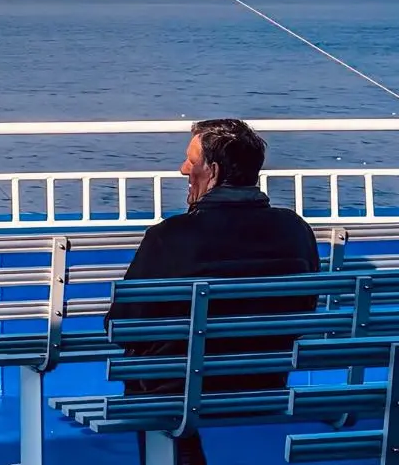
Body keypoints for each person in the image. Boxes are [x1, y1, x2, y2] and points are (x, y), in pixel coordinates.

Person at [105, 119, 320, 465]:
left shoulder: (171, 236)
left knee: (149, 381)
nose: (182, 169)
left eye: (190, 161)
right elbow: (306, 306)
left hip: (178, 390)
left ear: (213, 170)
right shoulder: (295, 230)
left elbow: (122, 326)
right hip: (265, 380)